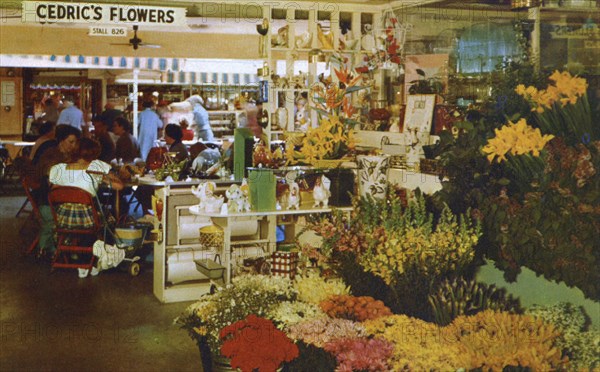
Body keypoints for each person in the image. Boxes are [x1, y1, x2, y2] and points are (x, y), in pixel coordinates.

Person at [49, 137, 123, 278]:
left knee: (93, 214)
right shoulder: (95, 168)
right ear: (94, 154)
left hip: (63, 219)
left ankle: (77, 257)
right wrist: (104, 178)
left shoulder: (60, 168)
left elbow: (54, 189)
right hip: (88, 220)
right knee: (109, 217)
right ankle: (96, 257)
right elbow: (119, 186)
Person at [32, 125, 82, 259]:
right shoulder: (52, 156)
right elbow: (53, 181)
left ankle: (68, 247)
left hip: (59, 200)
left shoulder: (69, 156)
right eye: (71, 142)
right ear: (61, 141)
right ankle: (62, 248)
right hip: (47, 202)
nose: (74, 145)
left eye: (75, 142)